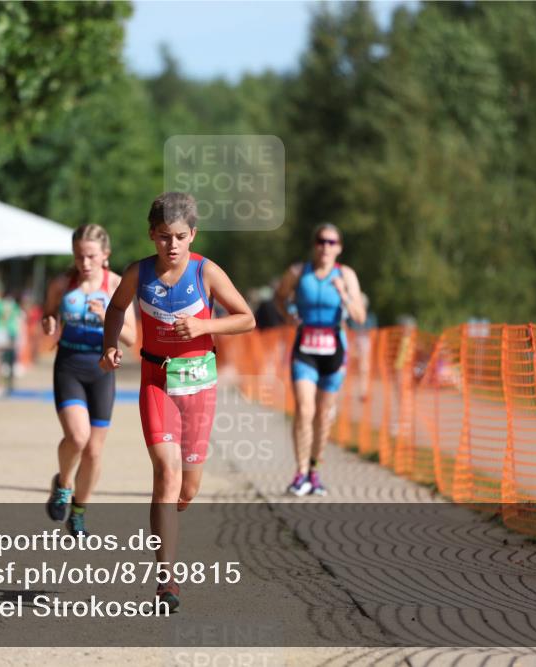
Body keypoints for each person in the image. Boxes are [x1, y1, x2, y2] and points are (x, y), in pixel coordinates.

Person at [101, 192, 255, 612]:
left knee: (187, 487)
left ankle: (178, 504)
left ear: (193, 235)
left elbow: (247, 318)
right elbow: (115, 309)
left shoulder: (206, 272)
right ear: (152, 234)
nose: (172, 245)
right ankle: (167, 582)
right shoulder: (138, 273)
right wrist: (110, 345)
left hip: (199, 385)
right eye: (164, 236)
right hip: (156, 380)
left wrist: (205, 326)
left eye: (180, 237)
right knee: (166, 474)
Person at [42, 225, 136, 537]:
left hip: (102, 370)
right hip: (69, 365)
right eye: (79, 256)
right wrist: (49, 321)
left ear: (105, 255)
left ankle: (79, 512)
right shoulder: (62, 284)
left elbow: (132, 337)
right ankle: (63, 484)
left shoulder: (117, 285)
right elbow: (49, 313)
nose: (84, 263)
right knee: (78, 437)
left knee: (94, 451)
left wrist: (107, 315)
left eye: (91, 256)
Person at [274, 223, 366, 497]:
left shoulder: (345, 275)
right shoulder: (298, 272)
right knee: (305, 410)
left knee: (324, 414)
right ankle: (300, 473)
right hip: (305, 348)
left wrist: (344, 294)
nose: (326, 246)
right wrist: (288, 315)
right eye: (321, 241)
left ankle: (314, 472)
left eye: (331, 242)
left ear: (339, 248)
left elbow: (360, 317)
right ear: (314, 245)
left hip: (334, 349)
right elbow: (279, 297)